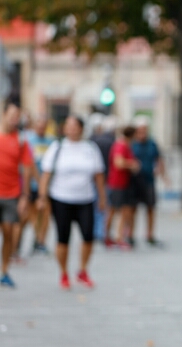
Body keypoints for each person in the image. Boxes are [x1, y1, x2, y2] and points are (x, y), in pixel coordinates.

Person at [38, 114, 106, 289]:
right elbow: (46, 174)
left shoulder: (90, 148)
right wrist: (42, 197)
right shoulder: (57, 147)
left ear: (81, 128)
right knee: (63, 238)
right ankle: (64, 272)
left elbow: (98, 175)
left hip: (85, 198)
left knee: (88, 236)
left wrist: (102, 197)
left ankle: (83, 270)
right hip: (61, 198)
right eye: (68, 125)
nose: (71, 129)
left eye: (75, 125)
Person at [0, 103, 33, 287]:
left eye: (17, 116)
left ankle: (4, 270)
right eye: (11, 115)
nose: (14, 119)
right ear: (4, 114)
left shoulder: (21, 140)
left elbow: (27, 168)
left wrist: (25, 196)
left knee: (8, 233)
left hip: (12, 194)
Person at [131, 116, 169, 246]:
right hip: (134, 181)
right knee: (132, 209)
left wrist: (164, 176)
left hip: (149, 180)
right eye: (140, 130)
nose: (143, 133)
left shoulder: (152, 143)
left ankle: (150, 234)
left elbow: (159, 159)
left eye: (145, 130)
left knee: (151, 208)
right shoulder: (131, 143)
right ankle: (130, 234)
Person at [20, 114, 54, 255]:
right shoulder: (27, 140)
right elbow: (27, 164)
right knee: (29, 216)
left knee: (45, 214)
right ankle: (19, 244)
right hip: (32, 185)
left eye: (44, 125)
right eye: (39, 125)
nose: (41, 128)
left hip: (47, 186)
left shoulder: (51, 142)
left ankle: (40, 241)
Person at [104, 125, 139, 249]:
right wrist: (132, 164)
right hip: (117, 183)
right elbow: (118, 163)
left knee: (114, 210)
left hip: (121, 182)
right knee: (118, 211)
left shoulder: (124, 145)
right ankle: (117, 237)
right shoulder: (122, 145)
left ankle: (109, 237)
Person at [90, 115, 116, 241]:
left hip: (93, 177)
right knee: (104, 204)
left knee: (96, 205)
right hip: (106, 176)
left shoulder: (91, 141)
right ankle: (101, 231)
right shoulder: (111, 141)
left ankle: (95, 230)